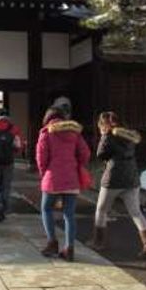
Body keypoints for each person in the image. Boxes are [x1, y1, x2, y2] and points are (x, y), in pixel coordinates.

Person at [88, 111, 146, 258]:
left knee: (101, 210)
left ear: (105, 124)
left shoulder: (109, 136)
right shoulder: (130, 135)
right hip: (131, 179)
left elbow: (100, 154)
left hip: (113, 179)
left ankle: (98, 242)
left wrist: (104, 136)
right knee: (136, 212)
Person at [36, 107, 91, 261]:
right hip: (71, 178)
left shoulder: (46, 133)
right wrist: (76, 164)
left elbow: (41, 158)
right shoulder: (74, 132)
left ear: (48, 118)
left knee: (46, 209)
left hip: (52, 177)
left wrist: (44, 174)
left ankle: (52, 243)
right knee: (69, 214)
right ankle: (69, 248)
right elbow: (86, 153)